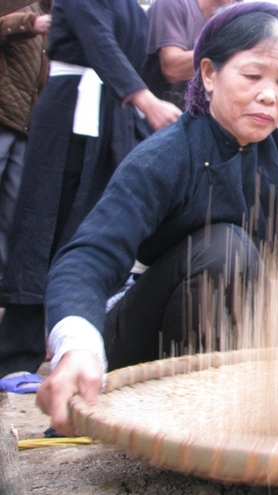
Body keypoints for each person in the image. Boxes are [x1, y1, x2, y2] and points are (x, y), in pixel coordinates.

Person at [35, 1, 278, 436]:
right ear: (208, 74)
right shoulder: (167, 154)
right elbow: (88, 256)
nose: (270, 94)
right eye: (253, 76)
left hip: (230, 336)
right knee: (226, 249)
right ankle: (198, 416)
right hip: (142, 347)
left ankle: (247, 404)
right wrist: (76, 346)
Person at [0, 0, 181, 382]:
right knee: (43, 220)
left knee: (90, 229)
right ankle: (17, 352)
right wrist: (144, 99)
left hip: (113, 116)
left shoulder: (134, 10)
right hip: (70, 109)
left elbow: (137, 60)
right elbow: (98, 39)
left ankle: (73, 335)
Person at [0, 0, 51, 273]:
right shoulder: (23, 7)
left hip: (24, 126)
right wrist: (29, 24)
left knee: (14, 209)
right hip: (3, 115)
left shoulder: (50, 12)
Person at [141, 0, 242, 110]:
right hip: (160, 114)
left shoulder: (232, 17)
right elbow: (172, 69)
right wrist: (227, 46)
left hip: (198, 115)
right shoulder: (173, 4)